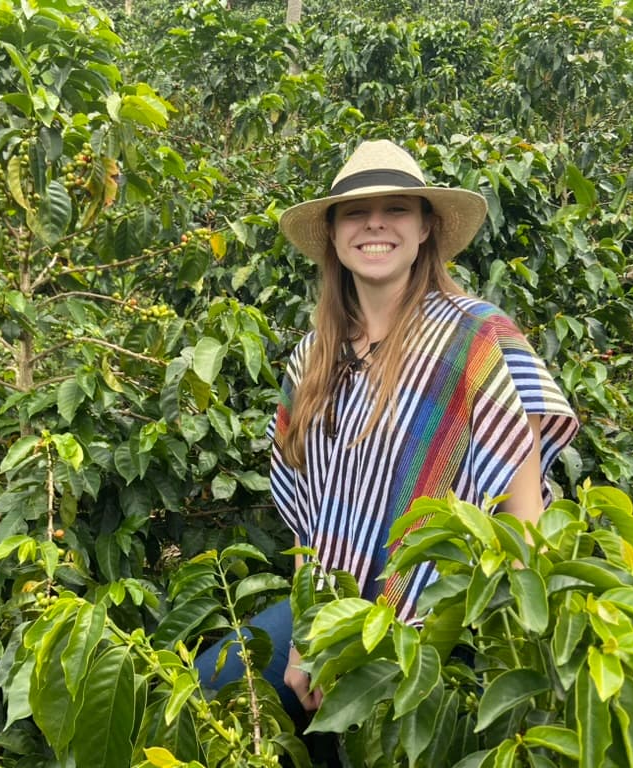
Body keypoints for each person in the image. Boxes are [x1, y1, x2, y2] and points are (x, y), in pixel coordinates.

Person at [197, 139, 578, 727]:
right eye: (355, 211)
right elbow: (310, 515)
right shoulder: (310, 359)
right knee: (216, 680)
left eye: (397, 208)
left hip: (449, 608)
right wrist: (307, 631)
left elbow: (523, 520)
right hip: (335, 597)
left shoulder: (479, 337)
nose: (375, 223)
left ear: (425, 227)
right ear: (333, 233)